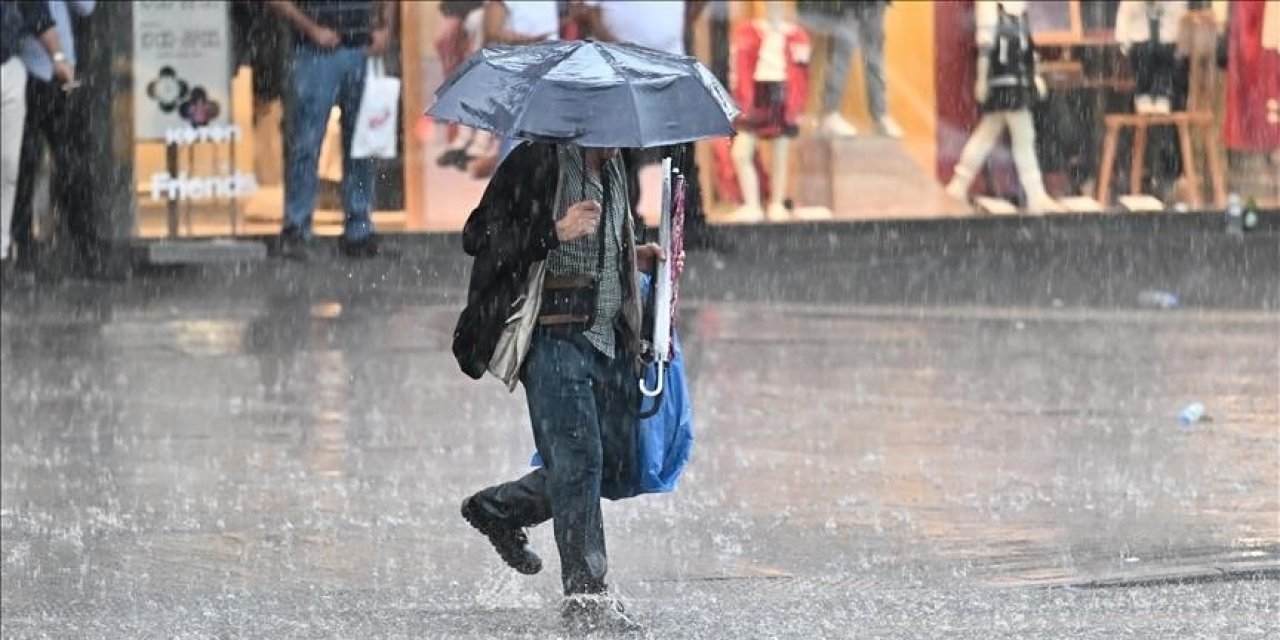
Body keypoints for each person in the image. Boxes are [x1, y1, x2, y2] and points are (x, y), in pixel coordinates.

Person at [453, 140, 664, 633]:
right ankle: (587, 598)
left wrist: (631, 256)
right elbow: (480, 234)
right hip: (553, 336)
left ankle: (499, 509)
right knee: (579, 462)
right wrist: (553, 232)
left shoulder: (615, 170)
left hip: (606, 336)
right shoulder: (537, 161)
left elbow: (597, 250)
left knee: (607, 461)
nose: (619, 137)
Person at [584, 0, 725, 250]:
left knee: (680, 150)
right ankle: (624, 224)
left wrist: (679, 25)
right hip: (620, 69)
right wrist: (616, 48)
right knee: (620, 153)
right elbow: (586, 11)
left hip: (669, 64)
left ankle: (687, 223)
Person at [267, 0, 395, 260]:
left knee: (361, 143)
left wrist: (385, 28)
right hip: (316, 50)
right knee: (307, 143)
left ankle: (356, 229)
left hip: (357, 47)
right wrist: (312, 29)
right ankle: (298, 228)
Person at [11, 0, 94, 279]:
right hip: (27, 68)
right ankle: (24, 250)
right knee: (23, 166)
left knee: (73, 163)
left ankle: (83, 247)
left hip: (61, 72)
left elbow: (86, 7)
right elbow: (30, 14)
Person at [1, 0, 72, 284]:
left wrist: (57, 57)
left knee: (9, 166)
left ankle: (3, 251)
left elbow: (36, 11)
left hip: (8, 65)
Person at [797, 0, 904, 138]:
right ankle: (830, 113)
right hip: (846, 5)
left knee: (873, 57)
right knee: (842, 54)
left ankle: (880, 116)